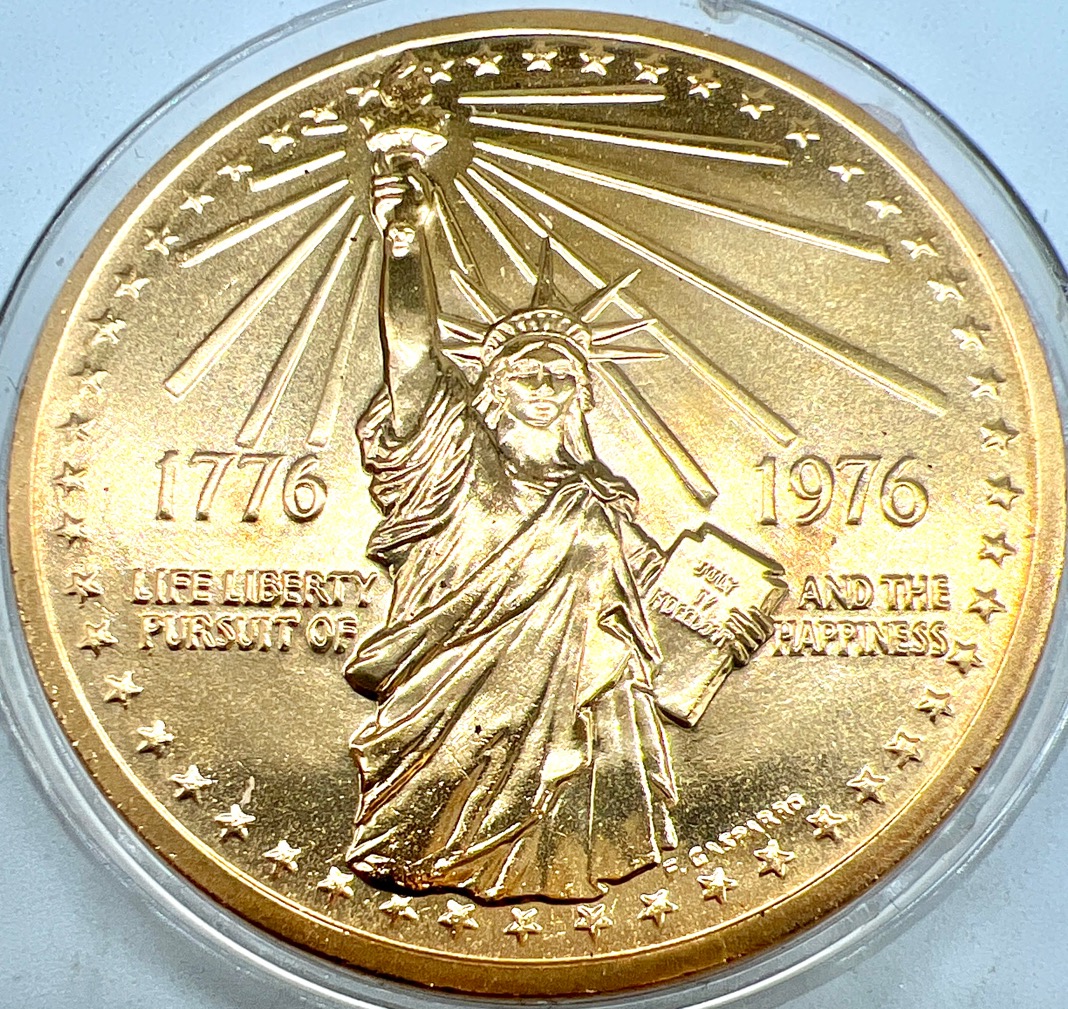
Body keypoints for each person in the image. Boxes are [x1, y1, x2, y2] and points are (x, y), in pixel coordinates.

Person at [343, 167, 768, 902]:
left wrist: (729, 636)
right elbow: (411, 354)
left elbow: (658, 616)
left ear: (582, 392)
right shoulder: (448, 458)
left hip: (585, 722)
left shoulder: (601, 501)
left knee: (562, 840)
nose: (544, 387)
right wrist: (405, 245)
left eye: (561, 377)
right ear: (493, 384)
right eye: (528, 373)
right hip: (453, 702)